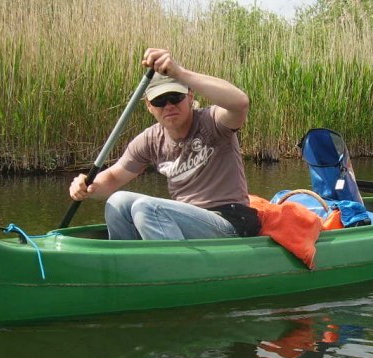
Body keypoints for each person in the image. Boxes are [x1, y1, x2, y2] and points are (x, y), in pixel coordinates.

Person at [68, 48, 260, 240]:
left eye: (175, 97)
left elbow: (240, 103)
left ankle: (172, 266)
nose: (168, 106)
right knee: (118, 201)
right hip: (186, 219)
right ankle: (127, 263)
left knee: (147, 208)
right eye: (160, 100)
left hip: (230, 221)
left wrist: (179, 73)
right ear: (149, 106)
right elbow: (112, 178)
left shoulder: (212, 122)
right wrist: (87, 186)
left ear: (190, 96)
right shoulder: (151, 139)